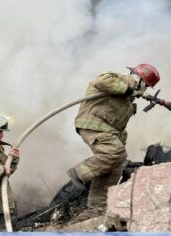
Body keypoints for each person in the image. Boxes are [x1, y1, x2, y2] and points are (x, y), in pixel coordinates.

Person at [68, 64, 160, 211]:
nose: (145, 90)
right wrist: (129, 88)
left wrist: (121, 145)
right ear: (140, 81)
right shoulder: (117, 79)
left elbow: (119, 127)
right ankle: (80, 173)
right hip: (93, 125)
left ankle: (98, 205)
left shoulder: (128, 102)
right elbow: (101, 81)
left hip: (106, 131)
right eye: (146, 86)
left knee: (116, 163)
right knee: (114, 152)